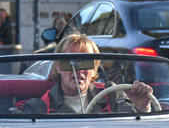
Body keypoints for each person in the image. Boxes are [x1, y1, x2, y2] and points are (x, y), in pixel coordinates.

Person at [22, 33, 153, 114]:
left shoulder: (111, 95)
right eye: (71, 61)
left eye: (86, 62)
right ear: (58, 66)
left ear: (94, 69)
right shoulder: (38, 107)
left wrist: (142, 107)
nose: (78, 69)